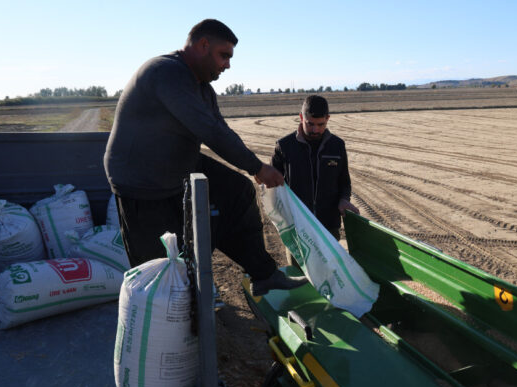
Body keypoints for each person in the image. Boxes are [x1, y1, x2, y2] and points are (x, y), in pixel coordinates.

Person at [104, 19, 305, 296]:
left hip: (178, 165)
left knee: (237, 192)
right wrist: (256, 167)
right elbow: (209, 131)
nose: (228, 65)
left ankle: (264, 275)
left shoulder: (203, 89)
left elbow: (221, 129)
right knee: (161, 268)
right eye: (224, 56)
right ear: (202, 45)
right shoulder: (166, 72)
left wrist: (254, 168)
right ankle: (169, 320)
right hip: (142, 181)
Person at [271, 95, 359, 266]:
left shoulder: (337, 146)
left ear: (328, 119)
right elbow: (271, 186)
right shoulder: (284, 146)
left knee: (330, 274)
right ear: (301, 117)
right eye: (310, 124)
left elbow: (344, 182)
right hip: (297, 227)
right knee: (300, 276)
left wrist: (343, 200)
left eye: (321, 125)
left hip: (329, 227)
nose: (315, 130)